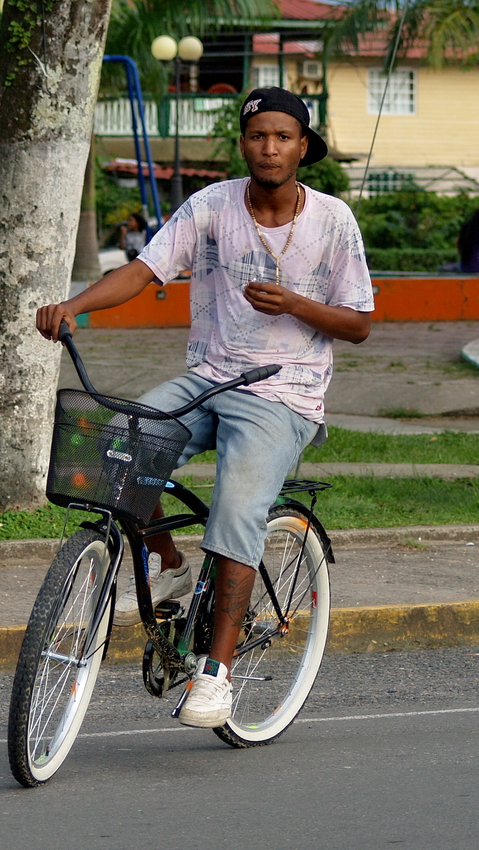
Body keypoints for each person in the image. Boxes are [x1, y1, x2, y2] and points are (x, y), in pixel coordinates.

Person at [37, 86, 374, 729]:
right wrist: (74, 306)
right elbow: (143, 271)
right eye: (257, 136)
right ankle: (166, 562)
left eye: (282, 136)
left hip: (284, 391)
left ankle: (215, 676)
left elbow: (358, 324)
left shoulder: (333, 221)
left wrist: (296, 305)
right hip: (208, 378)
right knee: (120, 441)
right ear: (242, 143)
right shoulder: (211, 206)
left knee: (236, 511)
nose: (268, 147)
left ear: (304, 146)